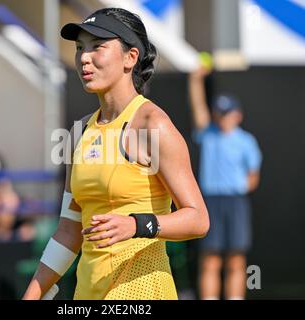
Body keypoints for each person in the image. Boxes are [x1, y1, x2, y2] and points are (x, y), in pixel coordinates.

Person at [23, 8, 209, 300]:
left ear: (130, 57)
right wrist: (33, 295)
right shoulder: (79, 132)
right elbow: (69, 231)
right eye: (80, 48)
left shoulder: (153, 124)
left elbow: (198, 219)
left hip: (144, 294)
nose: (84, 57)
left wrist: (137, 224)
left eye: (98, 47)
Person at [188, 66, 262, 300]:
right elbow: (198, 109)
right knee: (210, 259)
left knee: (236, 259)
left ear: (237, 115)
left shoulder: (246, 141)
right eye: (219, 114)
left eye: (226, 113)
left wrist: (240, 187)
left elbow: (253, 176)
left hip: (235, 202)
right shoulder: (207, 133)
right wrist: (195, 81)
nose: (222, 118)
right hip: (210, 201)